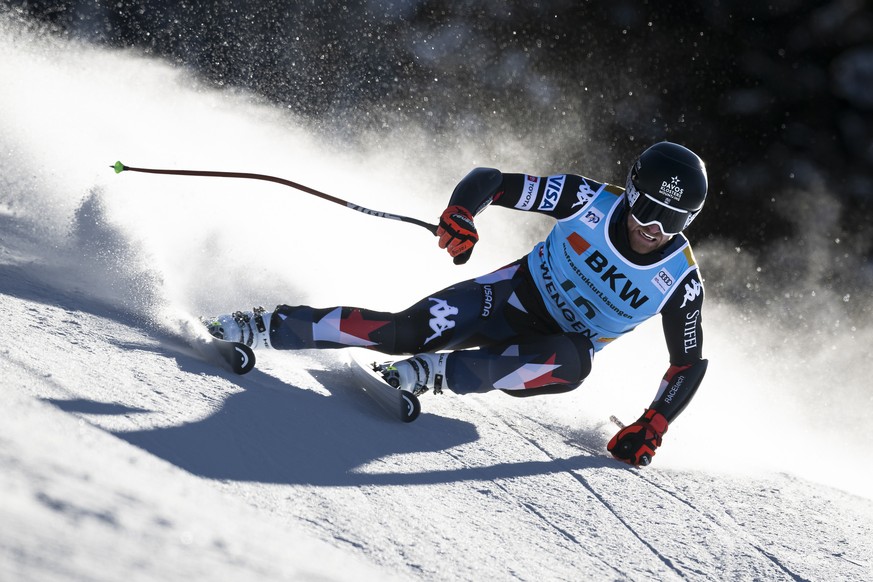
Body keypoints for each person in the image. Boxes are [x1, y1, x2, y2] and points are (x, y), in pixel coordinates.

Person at [205, 141, 710, 466]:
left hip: (543, 355)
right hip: (504, 299)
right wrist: (462, 213)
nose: (653, 229)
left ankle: (435, 374)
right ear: (630, 193)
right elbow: (492, 179)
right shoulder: (588, 200)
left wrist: (654, 423)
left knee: (574, 364)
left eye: (674, 221)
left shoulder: (678, 281)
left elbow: (687, 363)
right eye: (647, 209)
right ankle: (266, 325)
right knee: (404, 332)